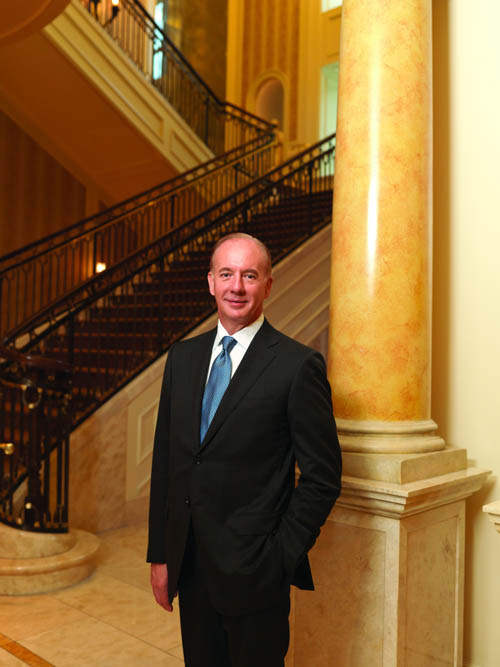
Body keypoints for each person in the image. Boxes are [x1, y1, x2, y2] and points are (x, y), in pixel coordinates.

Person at [147, 233, 342, 667]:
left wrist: (278, 557)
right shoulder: (182, 357)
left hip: (256, 577)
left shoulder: (297, 366)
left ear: (267, 285)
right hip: (191, 566)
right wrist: (160, 555)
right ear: (211, 283)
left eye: (249, 275)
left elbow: (323, 478)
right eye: (227, 274)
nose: (237, 286)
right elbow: (168, 464)